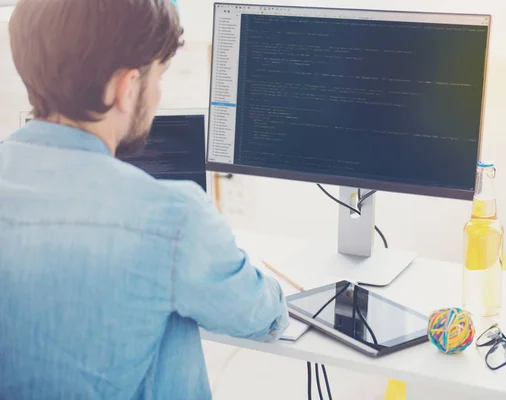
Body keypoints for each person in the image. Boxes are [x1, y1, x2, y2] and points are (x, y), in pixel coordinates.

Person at [0, 0, 289, 399]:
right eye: (159, 77)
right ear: (127, 87)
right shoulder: (174, 218)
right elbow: (262, 318)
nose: (157, 95)